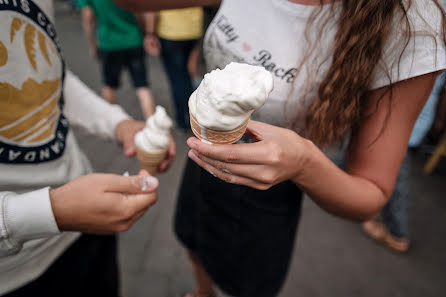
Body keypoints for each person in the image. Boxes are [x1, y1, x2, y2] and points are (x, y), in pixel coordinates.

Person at [117, 0, 445, 296]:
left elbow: (370, 195)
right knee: (190, 238)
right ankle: (203, 292)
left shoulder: (411, 21)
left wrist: (304, 162)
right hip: (203, 156)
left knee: (247, 284)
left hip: (272, 187)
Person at [0, 0, 175, 295]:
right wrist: (46, 212)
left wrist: (117, 122)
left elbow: (47, 74)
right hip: (15, 274)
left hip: (87, 224)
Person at [79, 0, 156, 119]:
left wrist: (92, 45)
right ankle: (154, 127)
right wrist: (146, 33)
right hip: (133, 39)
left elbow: (87, 17)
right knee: (142, 87)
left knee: (109, 86)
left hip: (108, 42)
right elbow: (142, 10)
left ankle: (112, 123)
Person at [144, 7, 204, 129]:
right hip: (194, 28)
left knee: (177, 77)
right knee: (187, 74)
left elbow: (153, 6)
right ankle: (197, 115)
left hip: (171, 32)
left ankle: (185, 119)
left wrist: (150, 33)